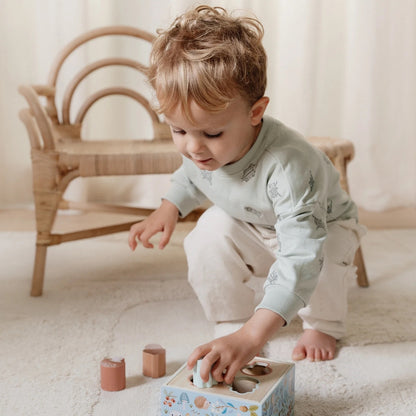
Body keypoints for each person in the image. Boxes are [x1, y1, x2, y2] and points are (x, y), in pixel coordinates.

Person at [128, 5, 365, 385]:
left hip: (319, 226)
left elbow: (300, 254)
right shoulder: (199, 150)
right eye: (179, 130)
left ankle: (324, 323)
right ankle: (233, 319)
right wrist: (168, 208)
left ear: (256, 112)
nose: (193, 147)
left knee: (323, 257)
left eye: (211, 134)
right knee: (207, 232)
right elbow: (190, 175)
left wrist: (258, 336)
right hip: (256, 222)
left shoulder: (288, 166)